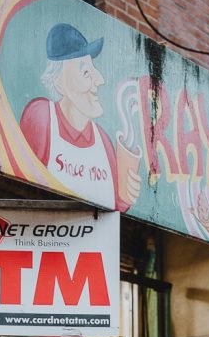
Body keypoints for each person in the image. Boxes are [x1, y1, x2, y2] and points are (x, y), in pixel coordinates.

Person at [20, 23, 141, 211]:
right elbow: (22, 183)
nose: (99, 79)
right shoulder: (42, 117)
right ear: (59, 82)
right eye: (86, 72)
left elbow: (113, 210)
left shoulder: (103, 142)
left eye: (94, 69)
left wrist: (126, 196)